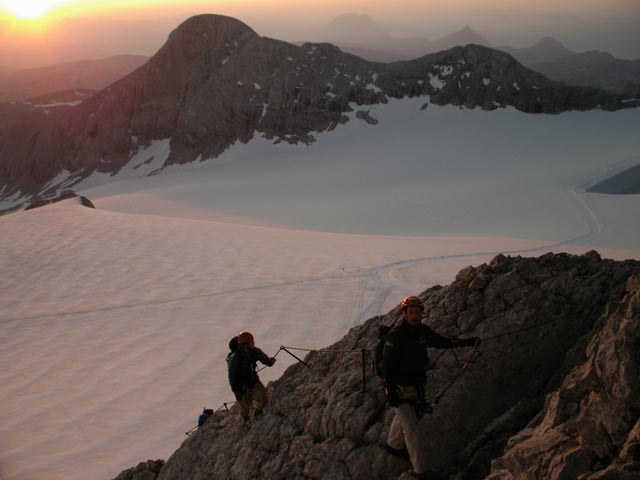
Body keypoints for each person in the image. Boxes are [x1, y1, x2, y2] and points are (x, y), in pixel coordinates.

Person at [382, 295, 479, 479]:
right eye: (411, 312)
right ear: (404, 314)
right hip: (399, 389)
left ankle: (393, 446)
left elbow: (442, 342)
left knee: (407, 417)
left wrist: (465, 342)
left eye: (417, 312)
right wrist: (390, 389)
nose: (415, 316)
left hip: (415, 387)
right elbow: (387, 365)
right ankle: (421, 472)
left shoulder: (422, 332)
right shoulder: (396, 336)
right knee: (412, 430)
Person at [227, 331, 276, 421]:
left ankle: (257, 412)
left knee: (262, 397)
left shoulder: (254, 351)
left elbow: (265, 360)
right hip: (240, 384)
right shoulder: (235, 358)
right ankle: (245, 419)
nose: (253, 343)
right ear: (245, 344)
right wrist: (237, 392)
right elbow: (232, 376)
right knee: (244, 407)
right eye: (251, 342)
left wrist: (270, 362)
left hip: (252, 380)